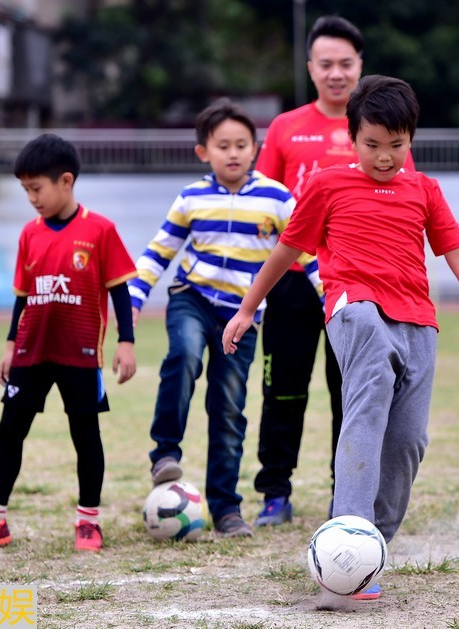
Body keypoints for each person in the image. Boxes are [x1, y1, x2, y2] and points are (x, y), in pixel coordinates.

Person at [223, 75, 459, 600]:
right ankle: (346, 534)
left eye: (396, 145)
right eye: (372, 144)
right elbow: (287, 252)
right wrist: (247, 307)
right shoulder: (327, 185)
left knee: (407, 441)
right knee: (369, 379)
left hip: (418, 319)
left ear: (411, 141)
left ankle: (366, 549)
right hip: (353, 306)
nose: (383, 156)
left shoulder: (424, 190)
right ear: (351, 138)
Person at [128, 99, 320, 538]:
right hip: (191, 299)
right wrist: (133, 301)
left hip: (242, 316)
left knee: (229, 408)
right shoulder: (192, 197)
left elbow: (307, 252)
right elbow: (158, 253)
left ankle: (227, 509)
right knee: (185, 353)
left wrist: (331, 300)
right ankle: (165, 453)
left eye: (241, 145)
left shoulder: (277, 197)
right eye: (222, 146)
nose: (232, 153)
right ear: (204, 152)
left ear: (255, 148)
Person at [251, 15, 414, 528]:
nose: (337, 73)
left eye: (346, 63)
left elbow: (402, 203)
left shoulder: (378, 129)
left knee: (354, 392)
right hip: (295, 282)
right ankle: (274, 493)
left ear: (360, 66)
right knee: (283, 390)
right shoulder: (285, 128)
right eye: (326, 64)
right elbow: (263, 202)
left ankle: (346, 494)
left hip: (356, 289)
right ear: (311, 68)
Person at [0, 134, 138, 553]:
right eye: (25, 190)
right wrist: (11, 344)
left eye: (37, 188)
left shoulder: (100, 230)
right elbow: (22, 296)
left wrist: (127, 341)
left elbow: (119, 289)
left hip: (81, 351)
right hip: (32, 350)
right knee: (9, 430)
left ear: (66, 181)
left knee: (85, 433)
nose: (31, 198)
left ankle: (89, 522)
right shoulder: (29, 235)